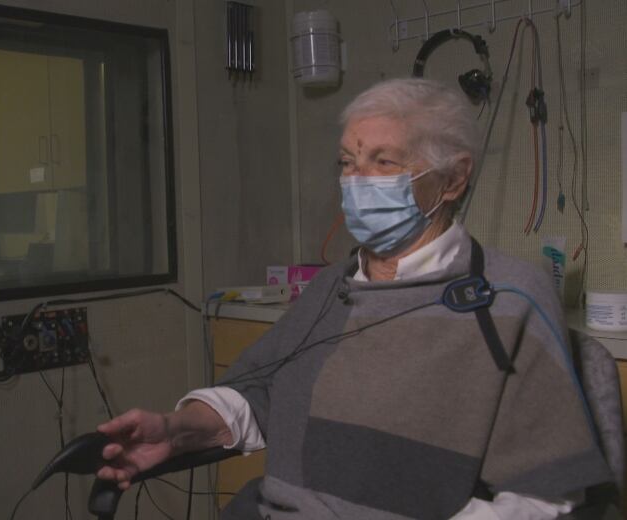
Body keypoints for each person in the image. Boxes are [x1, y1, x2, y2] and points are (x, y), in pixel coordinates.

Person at [95, 79, 613, 519]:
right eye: (348, 162)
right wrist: (177, 430)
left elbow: (543, 496)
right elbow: (259, 392)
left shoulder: (508, 299)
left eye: (382, 162)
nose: (355, 182)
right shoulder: (332, 287)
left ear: (453, 178)